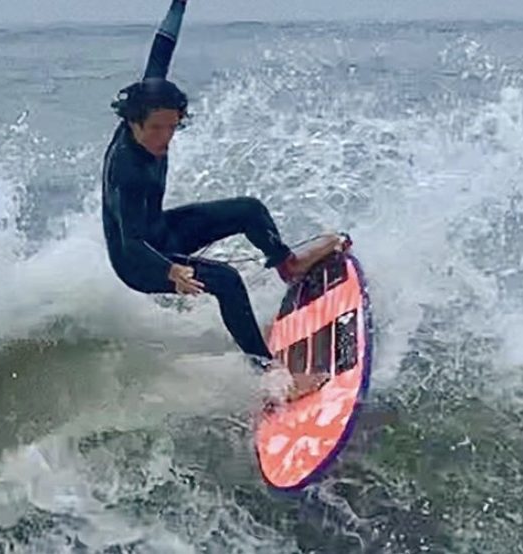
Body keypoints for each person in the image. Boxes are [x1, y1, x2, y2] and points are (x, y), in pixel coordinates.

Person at [101, 0, 342, 399]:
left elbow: (161, 50)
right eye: (156, 129)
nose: (165, 137)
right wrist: (171, 272)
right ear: (132, 121)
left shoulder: (151, 104)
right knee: (227, 281)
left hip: (160, 233)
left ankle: (289, 265)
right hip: (139, 261)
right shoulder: (125, 169)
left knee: (249, 209)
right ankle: (273, 376)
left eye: (172, 127)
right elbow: (130, 241)